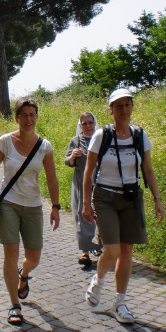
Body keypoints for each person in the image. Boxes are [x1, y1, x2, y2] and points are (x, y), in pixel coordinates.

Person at [0, 97, 60, 326]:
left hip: (33, 206)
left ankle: (24, 275)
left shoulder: (45, 146)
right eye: (24, 115)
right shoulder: (5, 142)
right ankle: (14, 305)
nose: (29, 119)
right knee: (10, 252)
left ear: (36, 117)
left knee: (34, 258)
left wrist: (56, 207)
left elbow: (51, 178)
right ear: (16, 118)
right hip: (8, 203)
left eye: (32, 115)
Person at [82, 88, 164, 324]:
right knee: (113, 250)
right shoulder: (101, 135)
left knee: (127, 251)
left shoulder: (139, 136)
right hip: (105, 197)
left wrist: (157, 199)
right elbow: (88, 172)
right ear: (111, 110)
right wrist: (86, 203)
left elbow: (148, 169)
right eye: (119, 105)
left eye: (127, 104)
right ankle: (98, 280)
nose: (124, 109)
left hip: (131, 197)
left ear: (132, 107)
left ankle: (120, 303)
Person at [64, 112, 102, 268]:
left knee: (102, 215)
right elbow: (67, 161)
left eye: (90, 123)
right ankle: (85, 251)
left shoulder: (101, 139)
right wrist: (73, 156)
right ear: (80, 125)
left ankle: (102, 246)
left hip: (100, 182)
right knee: (82, 215)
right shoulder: (76, 141)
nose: (87, 126)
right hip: (80, 183)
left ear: (94, 123)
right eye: (84, 123)